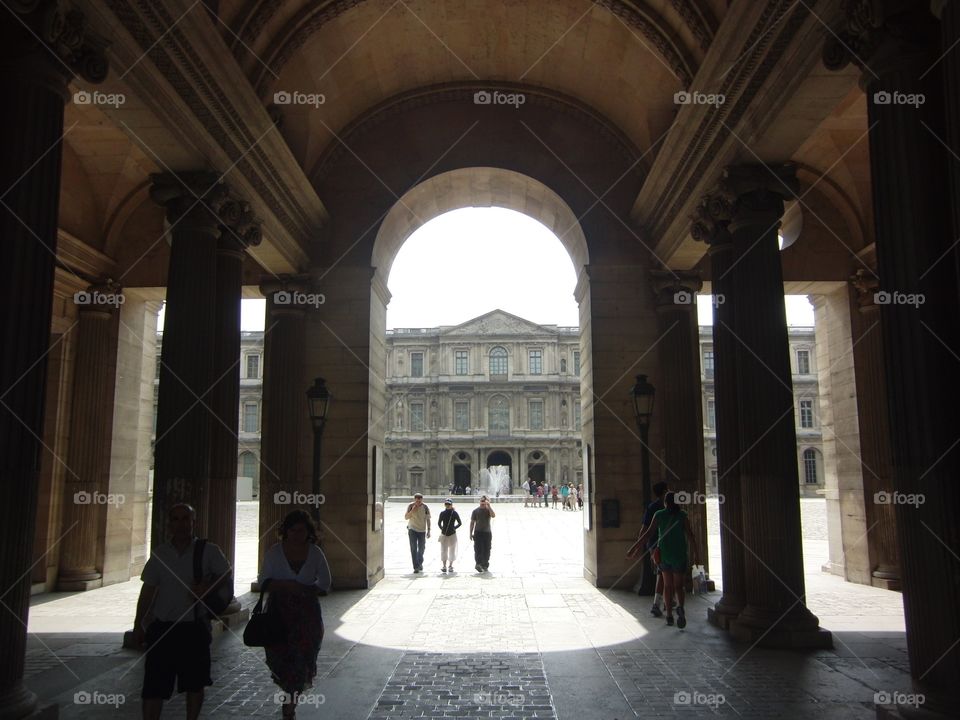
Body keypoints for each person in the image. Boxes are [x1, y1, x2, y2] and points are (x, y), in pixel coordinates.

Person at [132, 503, 231, 720]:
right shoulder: (160, 554)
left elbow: (225, 573)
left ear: (194, 522)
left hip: (193, 627)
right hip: (162, 627)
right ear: (169, 524)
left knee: (194, 684)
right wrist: (138, 623)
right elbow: (147, 590)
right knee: (153, 686)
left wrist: (207, 587)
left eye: (185, 518)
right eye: (175, 519)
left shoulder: (208, 551)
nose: (181, 524)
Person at [258, 510, 332, 719]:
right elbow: (263, 580)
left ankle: (290, 702)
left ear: (308, 532)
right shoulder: (274, 552)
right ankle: (289, 695)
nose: (297, 534)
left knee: (303, 659)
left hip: (306, 616)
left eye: (301, 530)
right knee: (280, 658)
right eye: (293, 530)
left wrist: (305, 590)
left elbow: (325, 582)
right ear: (286, 531)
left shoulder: (315, 553)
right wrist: (287, 585)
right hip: (278, 614)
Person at [628, 491, 700, 629]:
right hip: (679, 555)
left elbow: (648, 534)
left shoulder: (659, 514)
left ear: (665, 503)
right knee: (679, 586)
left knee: (667, 586)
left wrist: (634, 548)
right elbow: (691, 536)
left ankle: (669, 616)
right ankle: (681, 608)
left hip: (664, 555)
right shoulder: (682, 515)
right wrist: (697, 554)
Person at [633, 481, 669, 615]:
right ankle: (659, 603)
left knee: (663, 574)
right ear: (665, 492)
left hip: (653, 545)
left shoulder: (652, 507)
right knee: (663, 574)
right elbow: (646, 529)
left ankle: (665, 601)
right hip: (659, 545)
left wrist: (639, 545)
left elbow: (644, 528)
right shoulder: (665, 508)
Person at [404, 492, 431, 572]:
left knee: (422, 548)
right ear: (414, 499)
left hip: (422, 530)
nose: (418, 501)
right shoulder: (410, 506)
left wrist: (429, 530)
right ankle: (416, 566)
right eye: (417, 500)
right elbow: (406, 517)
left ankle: (419, 562)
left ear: (422, 500)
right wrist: (412, 510)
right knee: (413, 548)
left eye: (420, 500)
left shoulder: (425, 507)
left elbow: (428, 519)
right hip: (412, 529)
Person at [470, 495, 496, 572]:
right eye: (481, 501)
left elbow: (493, 515)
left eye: (484, 501)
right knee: (478, 549)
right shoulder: (475, 511)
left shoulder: (488, 510)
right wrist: (470, 533)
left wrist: (489, 506)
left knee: (487, 549)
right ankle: (478, 563)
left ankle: (485, 564)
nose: (482, 503)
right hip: (478, 532)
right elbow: (472, 523)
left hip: (487, 533)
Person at [437, 498, 462, 572]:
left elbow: (460, 523)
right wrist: (442, 529)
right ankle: (444, 566)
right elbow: (439, 523)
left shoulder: (454, 513)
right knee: (443, 550)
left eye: (449, 504)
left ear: (451, 505)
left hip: (452, 534)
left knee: (452, 550)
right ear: (444, 505)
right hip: (444, 534)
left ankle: (450, 565)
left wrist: (454, 528)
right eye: (446, 504)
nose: (447, 505)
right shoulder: (442, 513)